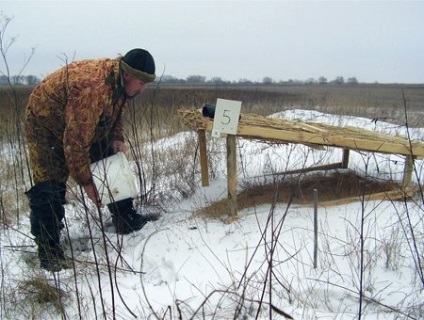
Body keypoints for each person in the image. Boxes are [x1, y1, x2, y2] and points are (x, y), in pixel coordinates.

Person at [24, 48, 156, 272]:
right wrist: (86, 182)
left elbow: (115, 111)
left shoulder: (120, 84)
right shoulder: (92, 87)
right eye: (142, 84)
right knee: (49, 185)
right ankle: (49, 251)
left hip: (80, 121)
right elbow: (75, 141)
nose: (143, 90)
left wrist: (116, 138)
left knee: (110, 157)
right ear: (128, 75)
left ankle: (125, 218)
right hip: (45, 124)